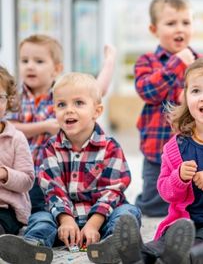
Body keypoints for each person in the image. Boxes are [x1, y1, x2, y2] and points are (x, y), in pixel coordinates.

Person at [87, 57, 203, 264]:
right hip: (185, 222)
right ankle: (137, 254)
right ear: (185, 97)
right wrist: (178, 178)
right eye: (196, 91)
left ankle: (182, 257)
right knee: (167, 238)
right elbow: (165, 190)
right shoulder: (175, 146)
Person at [0, 72, 140, 264]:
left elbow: (113, 190)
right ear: (54, 110)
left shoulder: (110, 147)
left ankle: (113, 245)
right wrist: (65, 220)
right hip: (62, 221)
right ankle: (34, 248)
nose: (69, 110)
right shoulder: (51, 147)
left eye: (79, 103)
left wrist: (93, 223)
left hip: (102, 218)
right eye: (61, 104)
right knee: (40, 217)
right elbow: (52, 188)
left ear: (97, 111)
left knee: (128, 213)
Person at [8, 34, 116, 213]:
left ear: (56, 69)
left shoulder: (63, 96)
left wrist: (109, 62)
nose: (30, 66)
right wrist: (44, 126)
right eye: (24, 61)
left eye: (39, 61)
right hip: (22, 173)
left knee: (49, 207)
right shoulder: (16, 97)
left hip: (56, 173)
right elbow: (9, 126)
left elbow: (97, 90)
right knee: (23, 207)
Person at [134, 0, 200, 217]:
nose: (179, 29)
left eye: (186, 22)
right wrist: (176, 64)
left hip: (192, 148)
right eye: (171, 23)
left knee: (195, 196)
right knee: (153, 204)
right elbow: (148, 91)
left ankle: (183, 210)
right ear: (154, 29)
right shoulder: (147, 61)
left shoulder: (200, 63)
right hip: (156, 148)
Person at [0, 66, 34, 236]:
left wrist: (5, 174)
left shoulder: (16, 138)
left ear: (8, 101)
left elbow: (27, 180)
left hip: (8, 208)